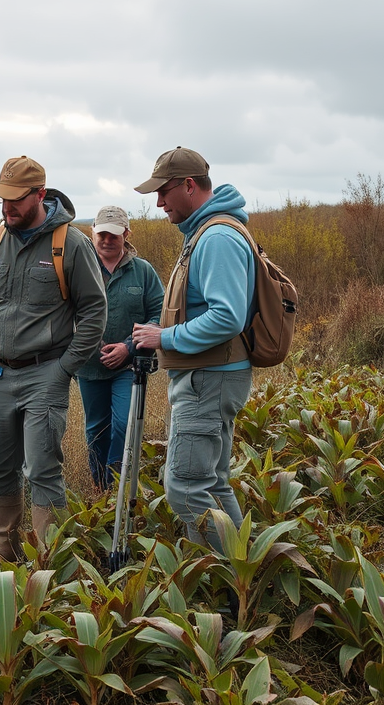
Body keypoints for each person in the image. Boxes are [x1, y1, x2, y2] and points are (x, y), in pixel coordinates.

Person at [0, 156, 107, 570]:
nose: (6, 209)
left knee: (42, 467)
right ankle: (3, 551)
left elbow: (95, 311)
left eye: (16, 200)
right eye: (1, 200)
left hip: (47, 372)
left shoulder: (70, 244)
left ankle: (48, 562)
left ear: (40, 194)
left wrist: (65, 369)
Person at [130, 147, 255, 552]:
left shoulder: (216, 237)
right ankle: (230, 581)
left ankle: (232, 583)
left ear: (188, 185)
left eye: (164, 192)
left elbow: (226, 318)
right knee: (211, 485)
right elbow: (204, 309)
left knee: (183, 488)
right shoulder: (205, 232)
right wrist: (159, 327)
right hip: (209, 377)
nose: (159, 202)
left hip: (209, 380)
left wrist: (163, 339)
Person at [75, 206, 163, 491]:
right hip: (88, 366)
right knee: (96, 431)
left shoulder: (143, 272)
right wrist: (83, 338)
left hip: (129, 367)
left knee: (124, 426)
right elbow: (62, 313)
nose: (107, 240)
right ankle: (101, 490)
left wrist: (128, 347)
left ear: (126, 234)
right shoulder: (79, 269)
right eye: (101, 234)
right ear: (92, 232)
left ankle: (117, 487)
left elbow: (159, 314)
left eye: (114, 235)